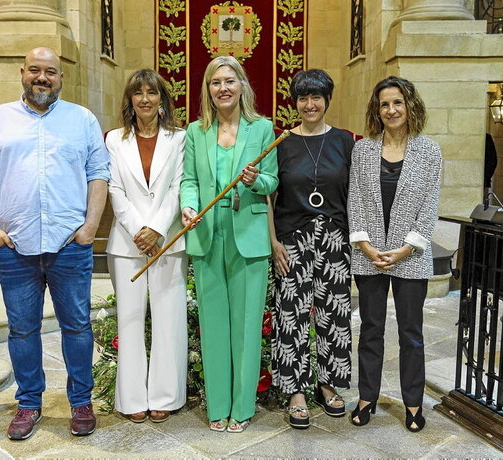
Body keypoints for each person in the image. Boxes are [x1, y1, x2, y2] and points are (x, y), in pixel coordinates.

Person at [0, 47, 109, 440]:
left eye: (50, 71)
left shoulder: (82, 120)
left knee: (77, 327)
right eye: (35, 70)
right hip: (14, 248)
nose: (42, 77)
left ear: (61, 78)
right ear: (22, 73)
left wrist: (89, 228)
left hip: (70, 245)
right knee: (23, 330)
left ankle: (81, 400)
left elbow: (99, 174)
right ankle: (29, 404)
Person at [180, 56, 278, 433]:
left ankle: (242, 406)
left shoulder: (262, 128)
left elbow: (272, 183)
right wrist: (188, 207)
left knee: (247, 324)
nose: (223, 88)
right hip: (206, 231)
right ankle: (217, 405)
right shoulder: (195, 132)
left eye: (229, 81)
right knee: (213, 324)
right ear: (208, 89)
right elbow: (189, 179)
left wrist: (254, 180)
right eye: (215, 82)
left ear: (242, 86)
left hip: (248, 236)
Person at [347, 76, 441, 432]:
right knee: (370, 329)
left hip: (411, 256)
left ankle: (413, 402)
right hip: (369, 255)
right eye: (385, 104)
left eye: (397, 103)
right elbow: (354, 200)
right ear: (377, 109)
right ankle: (367, 396)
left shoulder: (429, 151)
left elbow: (430, 206)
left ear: (410, 105)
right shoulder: (363, 149)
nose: (391, 110)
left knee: (411, 333)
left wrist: (403, 250)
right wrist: (368, 247)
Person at [267, 69, 355, 429]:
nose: (309, 104)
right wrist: (273, 242)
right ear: (295, 102)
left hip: (336, 238)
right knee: (291, 315)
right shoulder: (282, 143)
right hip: (292, 239)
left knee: (334, 316)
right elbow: (269, 198)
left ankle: (327, 383)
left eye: (316, 97)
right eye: (302, 98)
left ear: (327, 100)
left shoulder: (345, 141)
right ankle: (296, 392)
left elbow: (356, 195)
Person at [105, 69, 187, 424]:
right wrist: (139, 229)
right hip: (126, 244)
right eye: (137, 93)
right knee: (130, 319)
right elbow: (114, 189)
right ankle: (132, 396)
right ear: (130, 100)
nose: (144, 99)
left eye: (151, 92)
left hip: (168, 241)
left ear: (162, 99)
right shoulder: (113, 140)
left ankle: (166, 396)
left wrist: (156, 228)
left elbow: (179, 187)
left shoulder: (180, 138)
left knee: (169, 319)